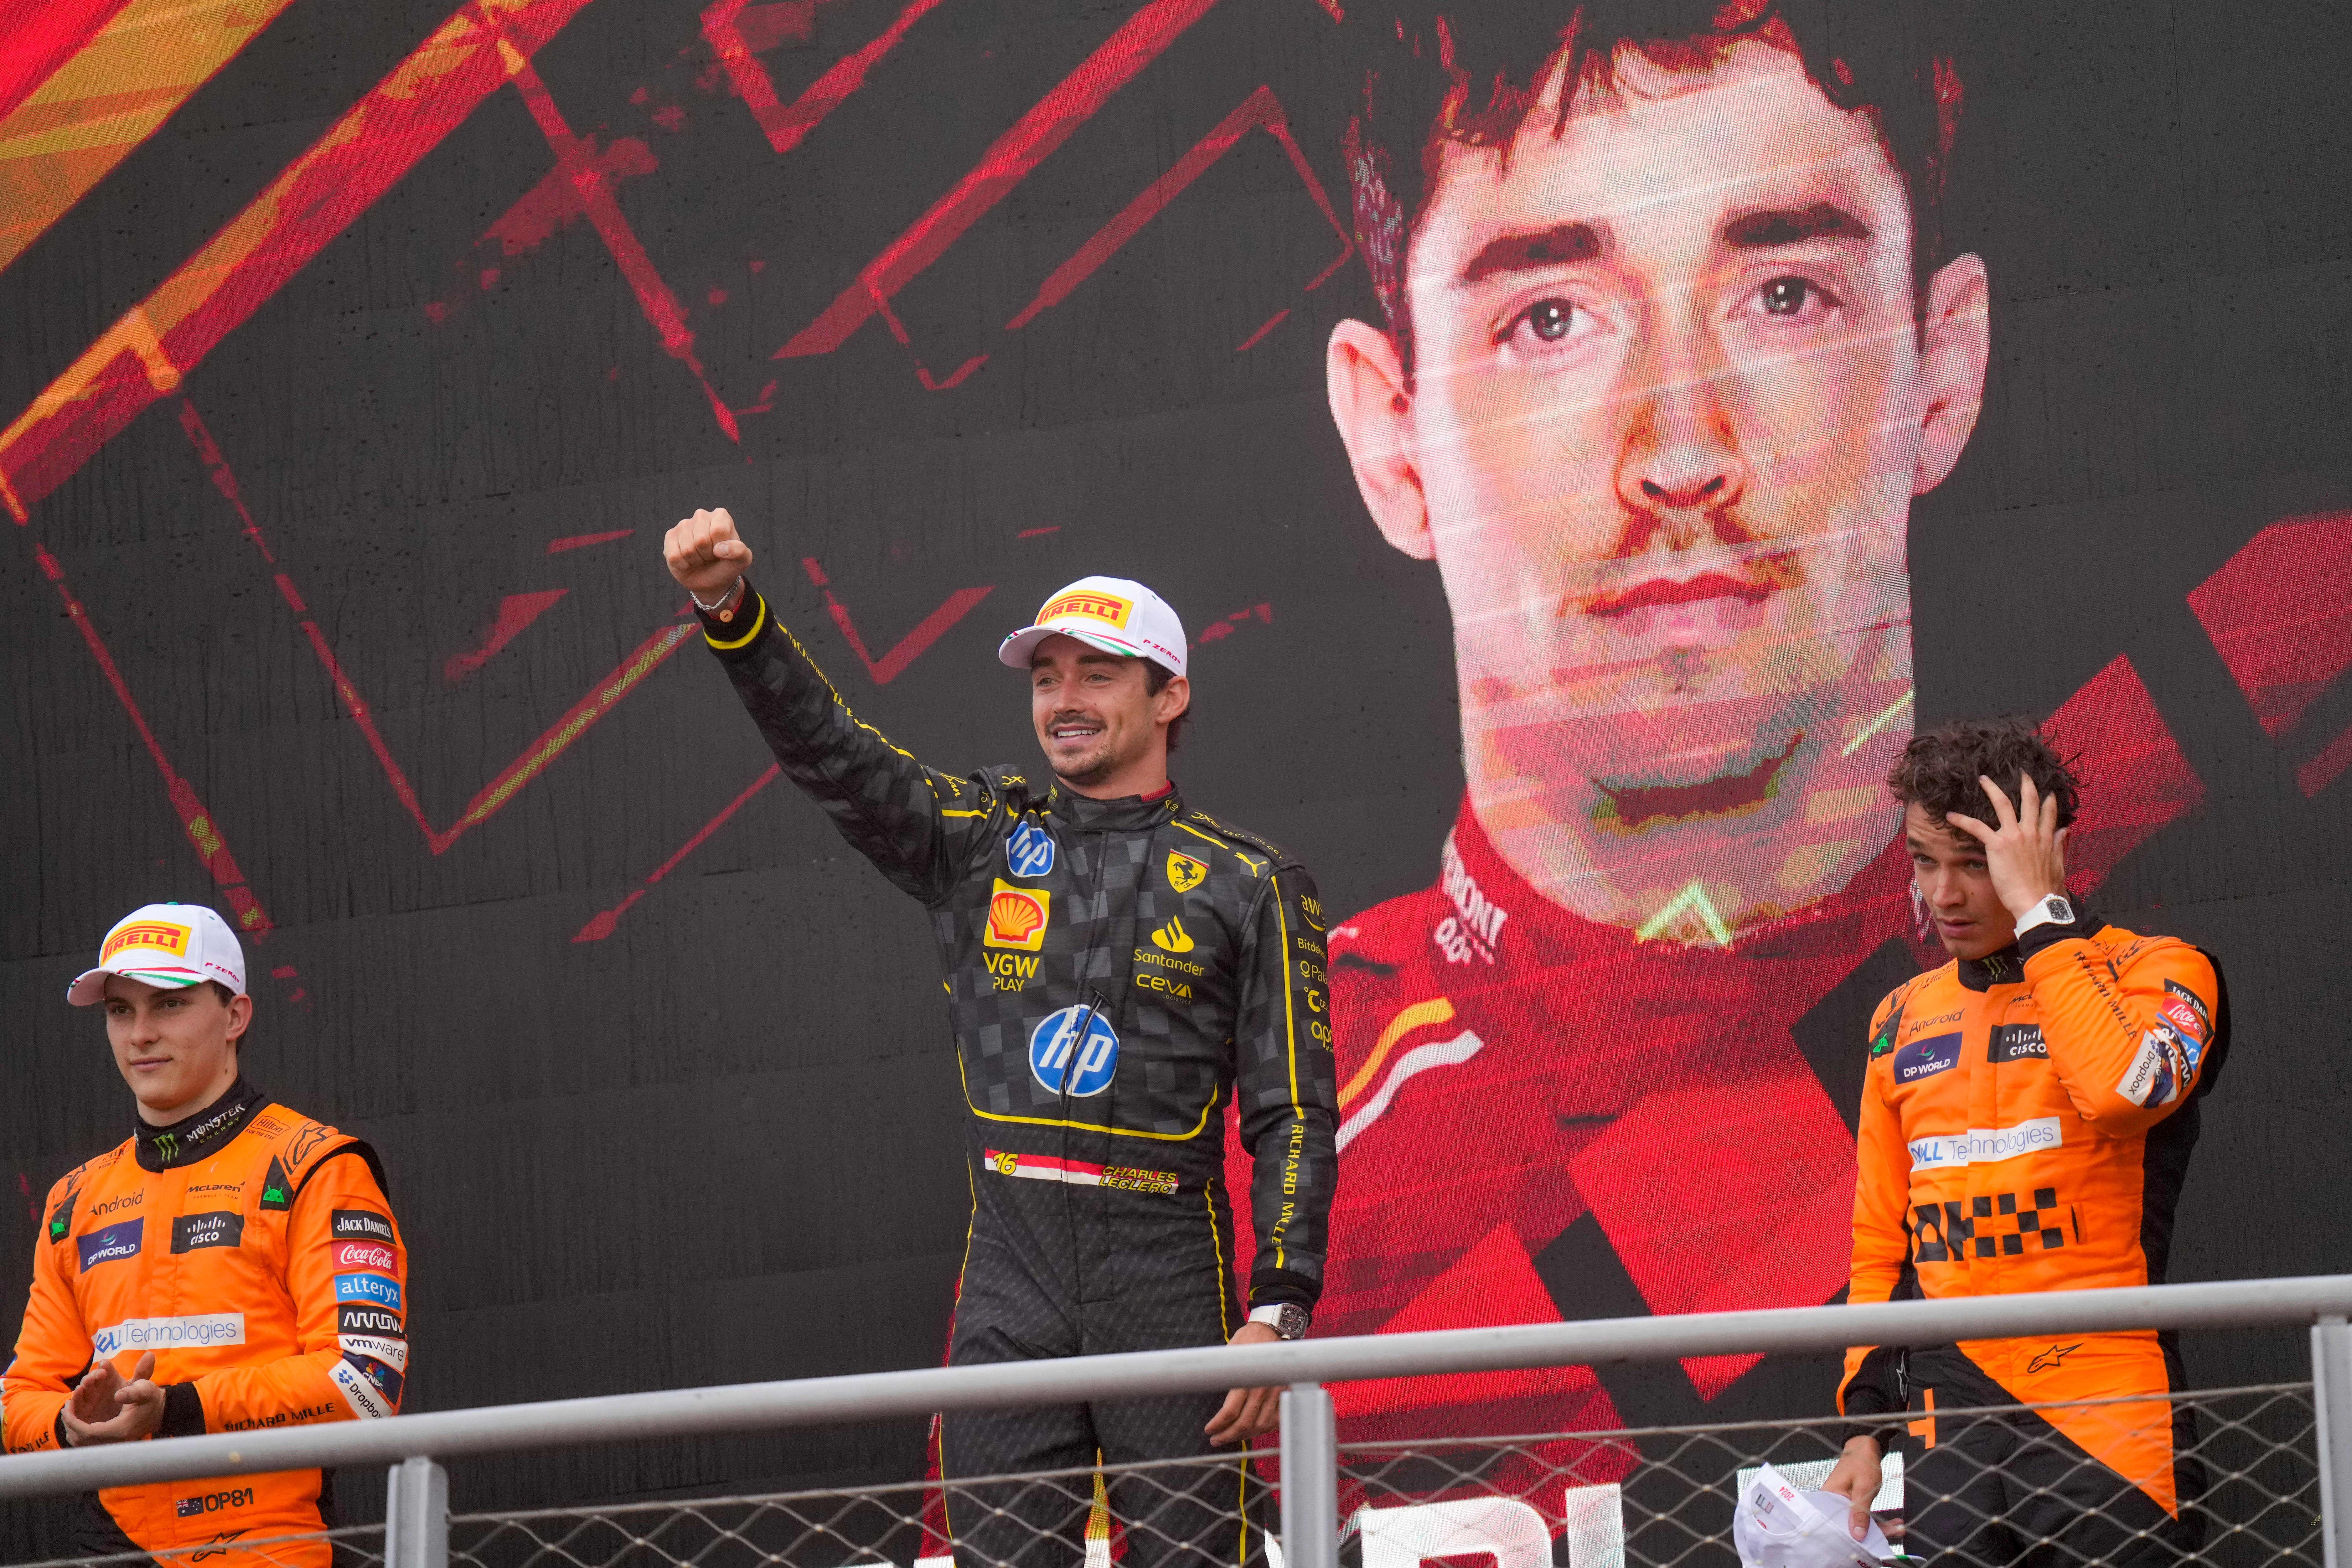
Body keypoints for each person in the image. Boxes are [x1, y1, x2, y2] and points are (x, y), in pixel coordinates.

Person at [661, 509, 1336, 1568]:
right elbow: (833, 755)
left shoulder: (1250, 879)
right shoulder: (980, 840)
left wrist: (1279, 1307)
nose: (1064, 699)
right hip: (1011, 1265)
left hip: (1167, 1264)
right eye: (1045, 676)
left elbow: (1293, 1109)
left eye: (1098, 674)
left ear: (1171, 694)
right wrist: (729, 612)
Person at [1824, 721, 2225, 1563]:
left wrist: (2045, 921)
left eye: (1975, 863)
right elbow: (1880, 1244)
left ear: (2045, 854)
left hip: (2105, 1394)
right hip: (1950, 1410)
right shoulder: (1897, 1018)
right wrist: (1866, 1432)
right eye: (1925, 861)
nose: (1944, 895)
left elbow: (2124, 1098)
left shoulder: (2165, 971)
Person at [3, 904, 409, 1568]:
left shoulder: (317, 1164)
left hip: (267, 1544)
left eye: (169, 1004)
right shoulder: (74, 1200)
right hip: (110, 1547)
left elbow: (364, 1380)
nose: (140, 1034)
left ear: (236, 1016)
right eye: (121, 1010)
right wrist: (69, 1428)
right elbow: (19, 1398)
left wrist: (172, 1408)